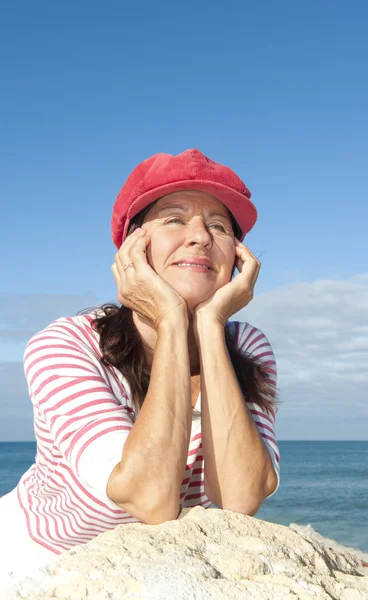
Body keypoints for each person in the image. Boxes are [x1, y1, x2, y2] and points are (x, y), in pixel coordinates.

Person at [0, 149, 280, 590]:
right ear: (133, 248)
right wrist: (170, 319)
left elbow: (240, 499)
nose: (200, 238)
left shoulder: (246, 345)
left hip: (152, 570)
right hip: (36, 564)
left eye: (219, 226)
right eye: (174, 219)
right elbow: (147, 497)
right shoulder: (67, 344)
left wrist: (209, 326)